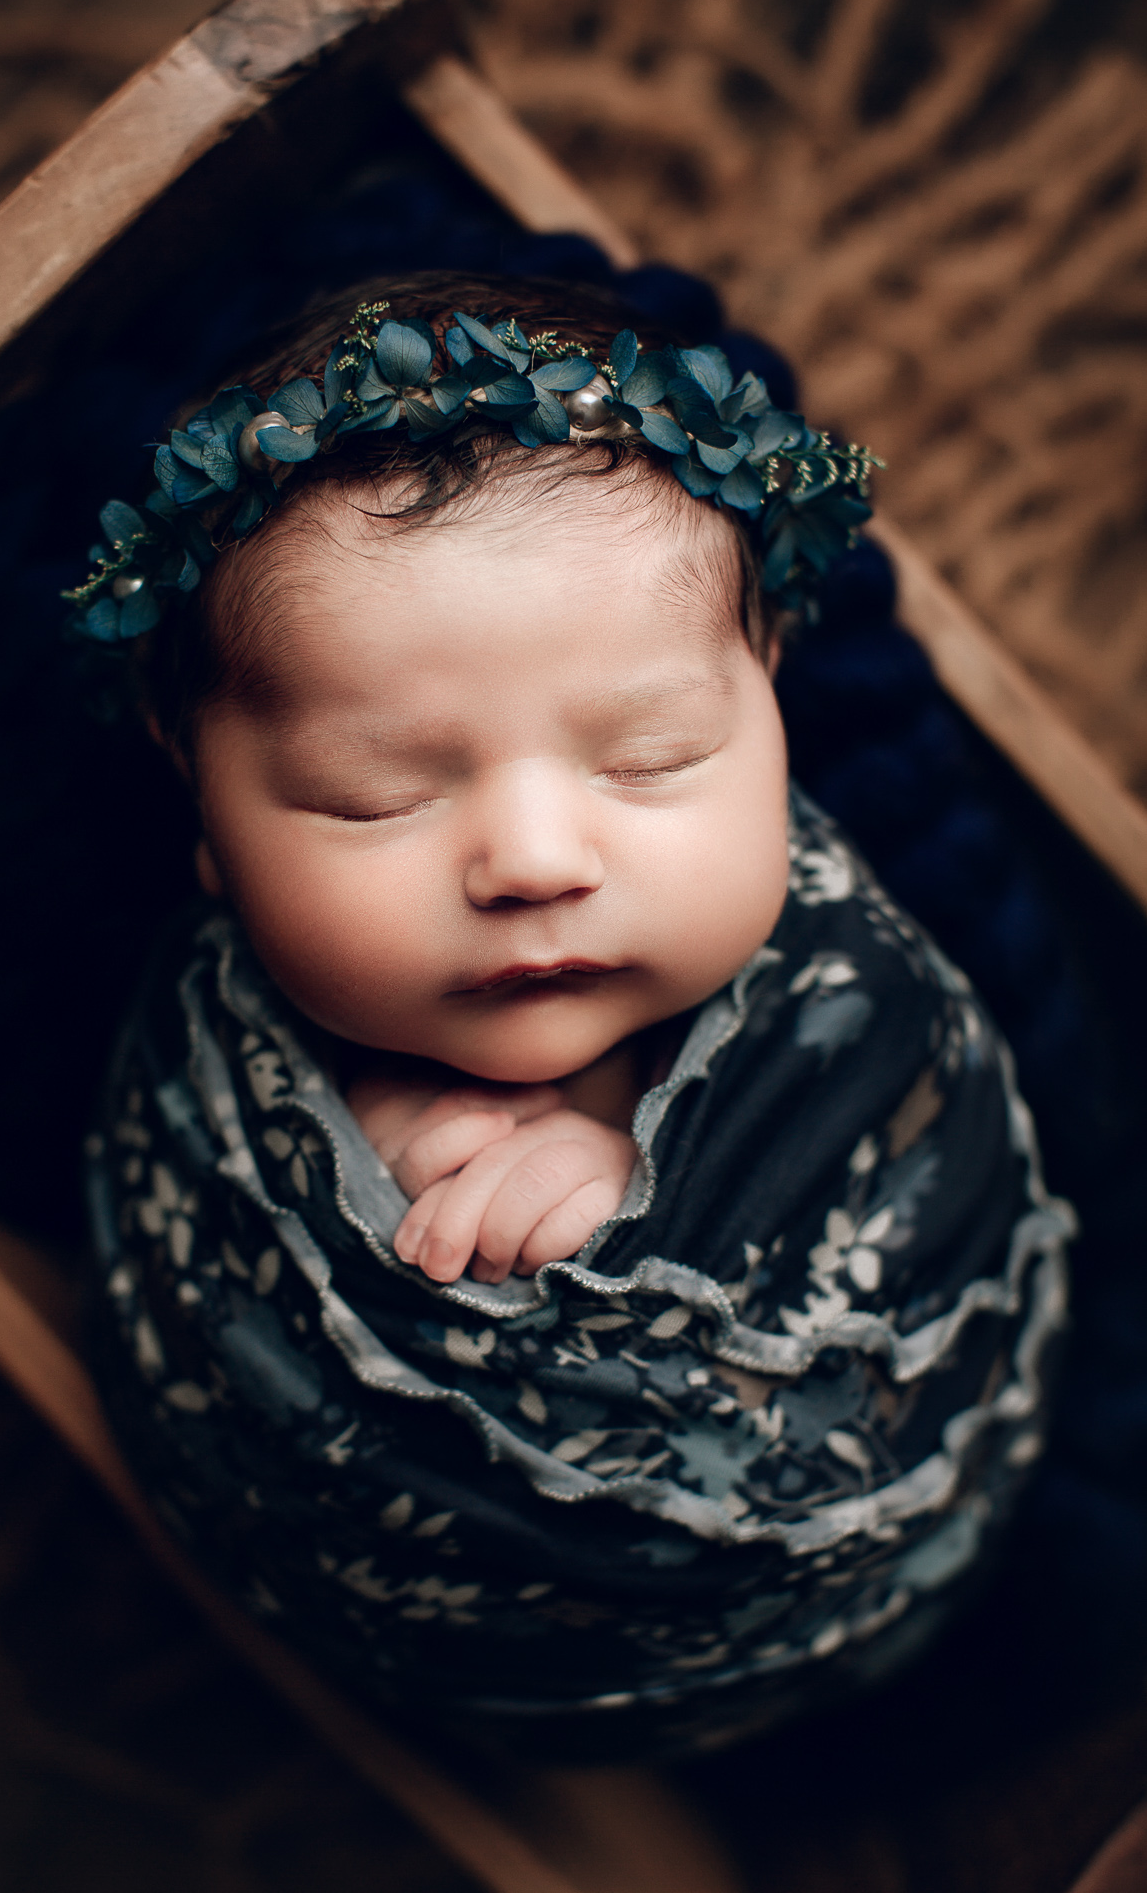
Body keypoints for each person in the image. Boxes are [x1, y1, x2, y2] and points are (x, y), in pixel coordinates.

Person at [78, 275, 1073, 1757]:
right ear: (206, 818)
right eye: (378, 793)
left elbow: (925, 1180)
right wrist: (377, 1136)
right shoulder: (205, 1069)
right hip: (440, 1676)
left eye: (653, 756)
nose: (536, 861)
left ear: (771, 711)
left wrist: (633, 1206)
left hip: (896, 1567)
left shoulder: (847, 1000)